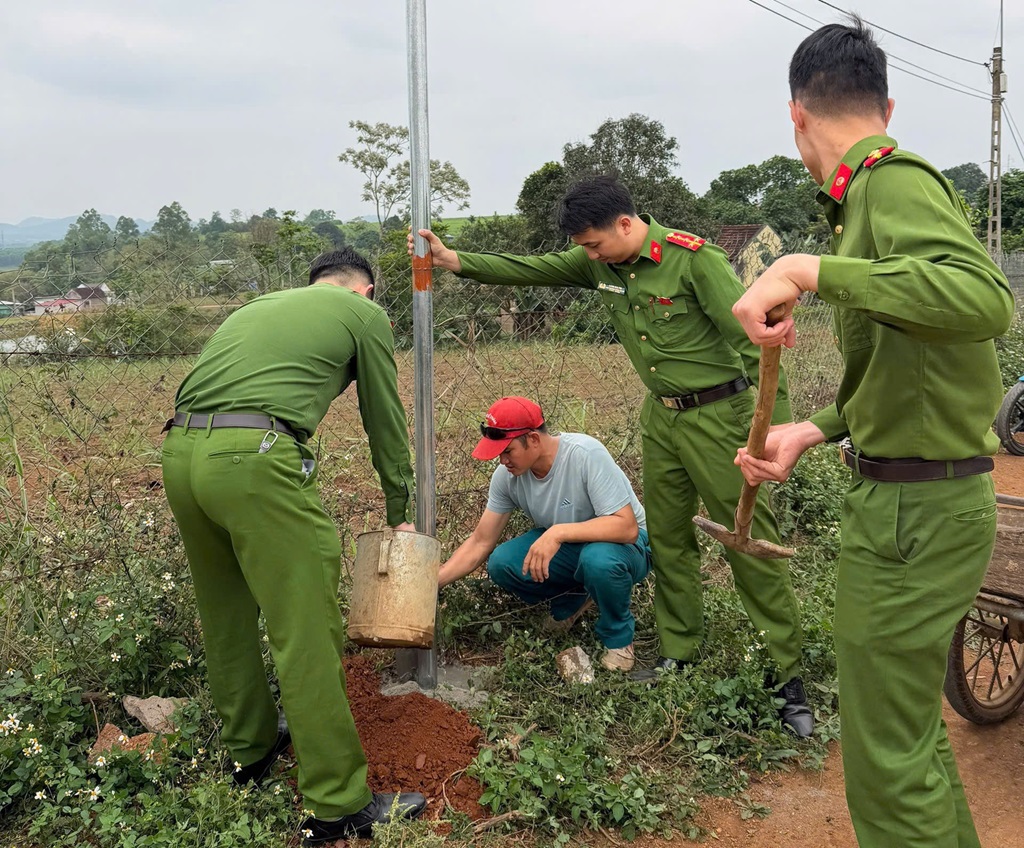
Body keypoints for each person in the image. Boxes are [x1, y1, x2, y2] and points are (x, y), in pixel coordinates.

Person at [730, 19, 1014, 848]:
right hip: (909, 503)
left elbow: (982, 300)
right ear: (884, 101)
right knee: (905, 739)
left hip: (913, 518)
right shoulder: (867, 205)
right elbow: (906, 369)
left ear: (796, 117)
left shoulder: (890, 186)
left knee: (886, 760)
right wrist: (812, 430)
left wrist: (807, 270)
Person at [409, 177, 813, 736]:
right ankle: (679, 651)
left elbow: (757, 343)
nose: (587, 255)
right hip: (663, 420)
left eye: (594, 243)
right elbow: (533, 268)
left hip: (722, 418)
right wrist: (458, 261)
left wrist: (776, 433)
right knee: (671, 539)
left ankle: (786, 678)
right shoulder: (600, 264)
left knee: (745, 540)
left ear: (626, 223)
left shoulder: (695, 262)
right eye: (583, 248)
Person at [160, 248, 427, 843]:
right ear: (365, 290)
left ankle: (249, 753)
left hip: (180, 455)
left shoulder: (257, 306)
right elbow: (383, 418)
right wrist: (399, 509)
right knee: (304, 629)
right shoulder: (363, 315)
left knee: (226, 616)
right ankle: (336, 804)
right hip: (255, 462)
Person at [440, 396, 651, 671]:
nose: (502, 460)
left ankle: (618, 639)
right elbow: (481, 542)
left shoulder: (584, 454)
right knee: (502, 563)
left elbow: (626, 527)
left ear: (534, 440)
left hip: (625, 546)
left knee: (598, 560)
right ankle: (572, 601)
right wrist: (434, 581)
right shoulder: (507, 477)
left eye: (508, 451)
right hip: (575, 547)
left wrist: (557, 533)